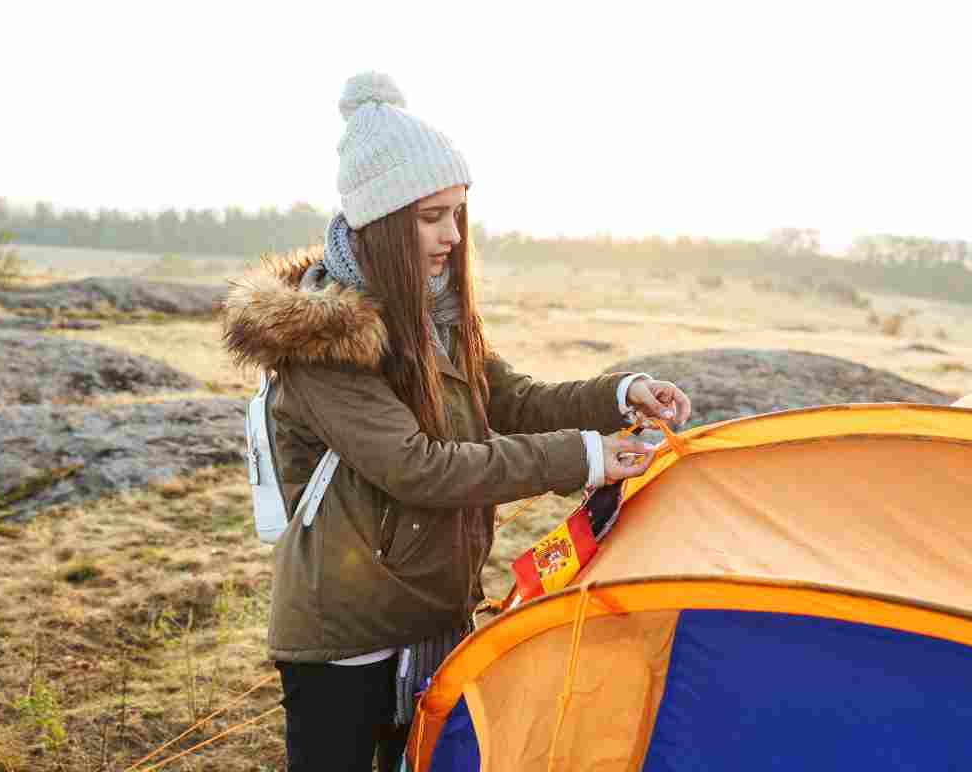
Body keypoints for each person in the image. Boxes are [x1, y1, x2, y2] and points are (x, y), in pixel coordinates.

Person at [221, 71, 692, 772]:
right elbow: (419, 467)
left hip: (435, 614)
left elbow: (515, 401)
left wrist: (621, 395)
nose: (453, 234)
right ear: (380, 222)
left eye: (458, 212)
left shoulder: (436, 314)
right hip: (345, 635)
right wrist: (587, 458)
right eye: (431, 216)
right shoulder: (322, 340)